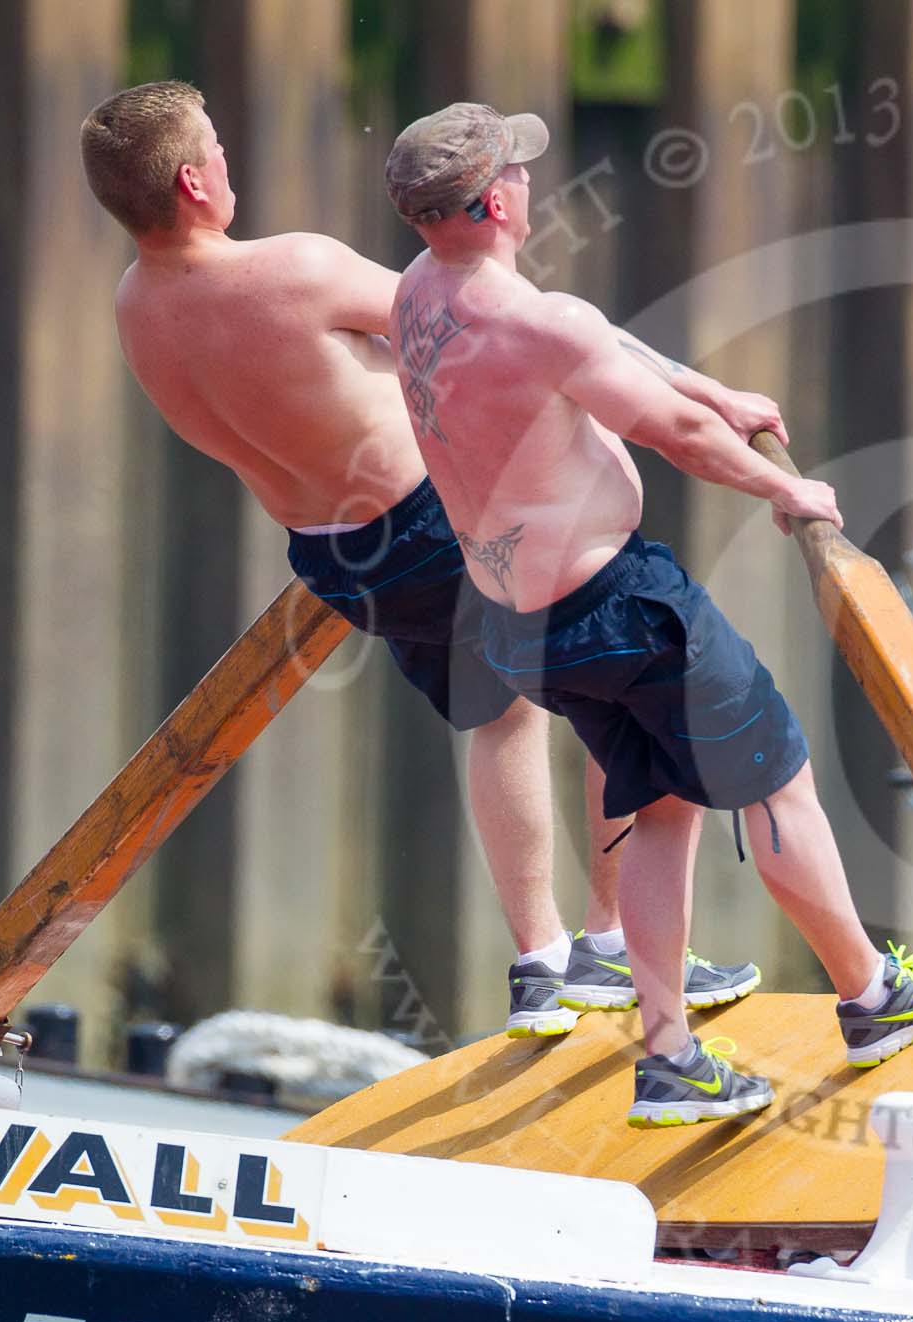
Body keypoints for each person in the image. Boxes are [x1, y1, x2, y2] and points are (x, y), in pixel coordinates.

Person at [78, 81, 758, 1039]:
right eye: (220, 149)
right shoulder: (294, 271)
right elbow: (494, 329)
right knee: (618, 686)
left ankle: (541, 960)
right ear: (193, 181)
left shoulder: (135, 308)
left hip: (334, 556)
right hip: (433, 523)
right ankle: (607, 943)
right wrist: (700, 390)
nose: (232, 165)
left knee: (500, 717)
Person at [381, 102, 913, 1128]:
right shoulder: (540, 322)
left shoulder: (423, 294)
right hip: (620, 606)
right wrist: (783, 492)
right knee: (776, 782)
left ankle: (668, 1052)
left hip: (519, 627)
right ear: (494, 200)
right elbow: (665, 432)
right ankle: (874, 998)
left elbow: (599, 347)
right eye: (522, 173)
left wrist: (715, 390)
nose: (535, 184)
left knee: (662, 806)